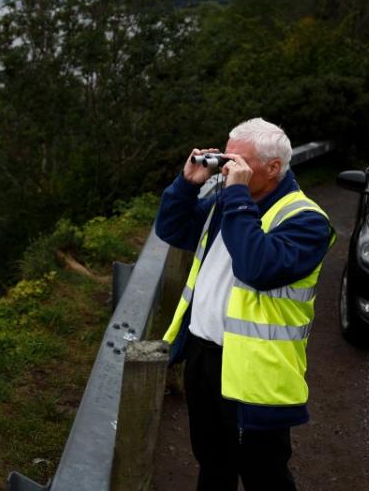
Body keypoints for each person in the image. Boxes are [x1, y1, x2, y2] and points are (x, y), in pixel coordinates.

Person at [156, 118, 334, 491]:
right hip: (203, 360)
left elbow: (256, 267)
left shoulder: (306, 221)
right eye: (226, 159)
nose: (227, 170)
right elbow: (172, 230)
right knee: (212, 464)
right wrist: (186, 186)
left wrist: (235, 196)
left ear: (273, 168)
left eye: (239, 162)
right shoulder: (227, 203)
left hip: (255, 373)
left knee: (263, 475)